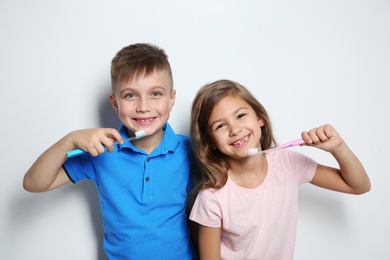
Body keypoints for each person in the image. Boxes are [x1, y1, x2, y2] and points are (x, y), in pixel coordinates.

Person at [23, 43, 196, 259]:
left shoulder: (190, 150)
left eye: (155, 93)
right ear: (115, 103)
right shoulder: (101, 151)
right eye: (130, 96)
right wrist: (69, 141)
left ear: (171, 99)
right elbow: (34, 183)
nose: (143, 106)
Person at [188, 79, 370, 260]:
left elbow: (358, 186)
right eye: (220, 125)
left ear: (260, 118)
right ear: (211, 141)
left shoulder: (288, 163)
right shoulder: (212, 196)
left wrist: (338, 148)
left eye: (241, 115)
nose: (235, 129)